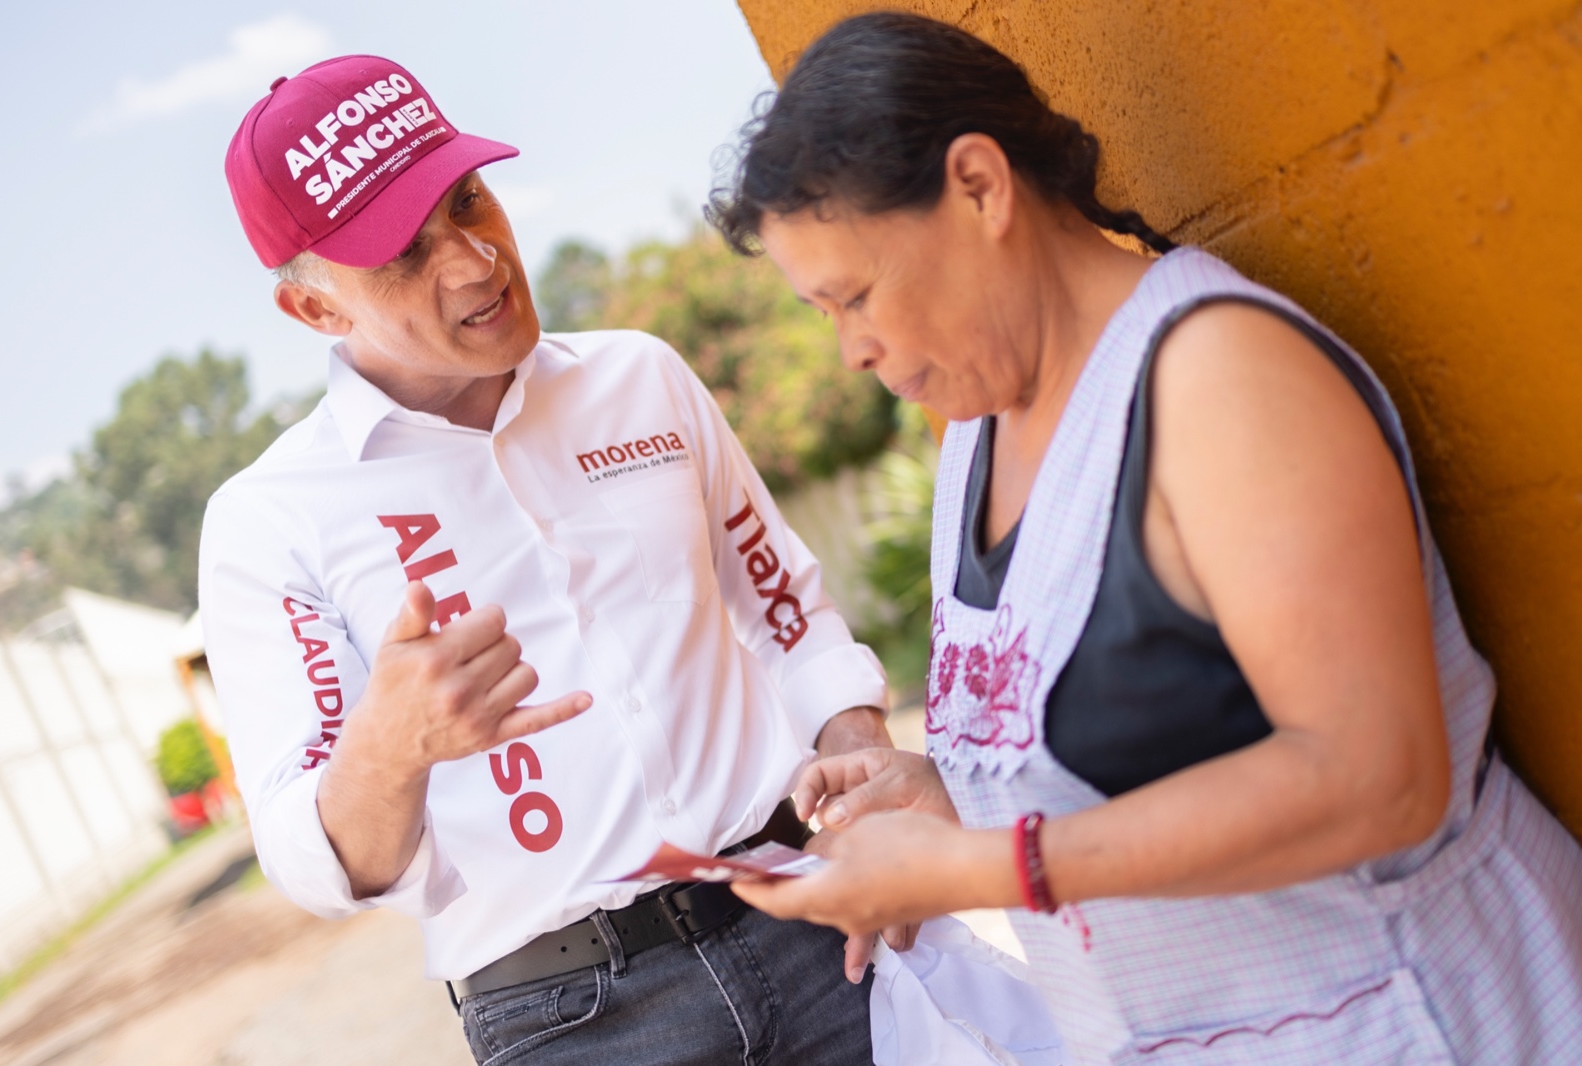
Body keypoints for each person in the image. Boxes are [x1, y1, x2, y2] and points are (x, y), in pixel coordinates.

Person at [711, 13, 1582, 1065]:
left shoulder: (1216, 379)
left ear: (979, 186)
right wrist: (951, 801)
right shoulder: (977, 432)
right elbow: (1142, 735)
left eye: (855, 295)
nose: (851, 350)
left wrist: (983, 868)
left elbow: (1378, 775)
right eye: (824, 312)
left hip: (1420, 1020)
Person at [203, 54, 896, 1065]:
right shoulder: (272, 520)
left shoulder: (641, 378)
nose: (474, 261)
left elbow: (783, 606)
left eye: (468, 201)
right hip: (573, 1022)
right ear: (317, 310)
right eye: (403, 251)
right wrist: (388, 751)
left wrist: (867, 770)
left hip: (816, 929)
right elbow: (314, 861)